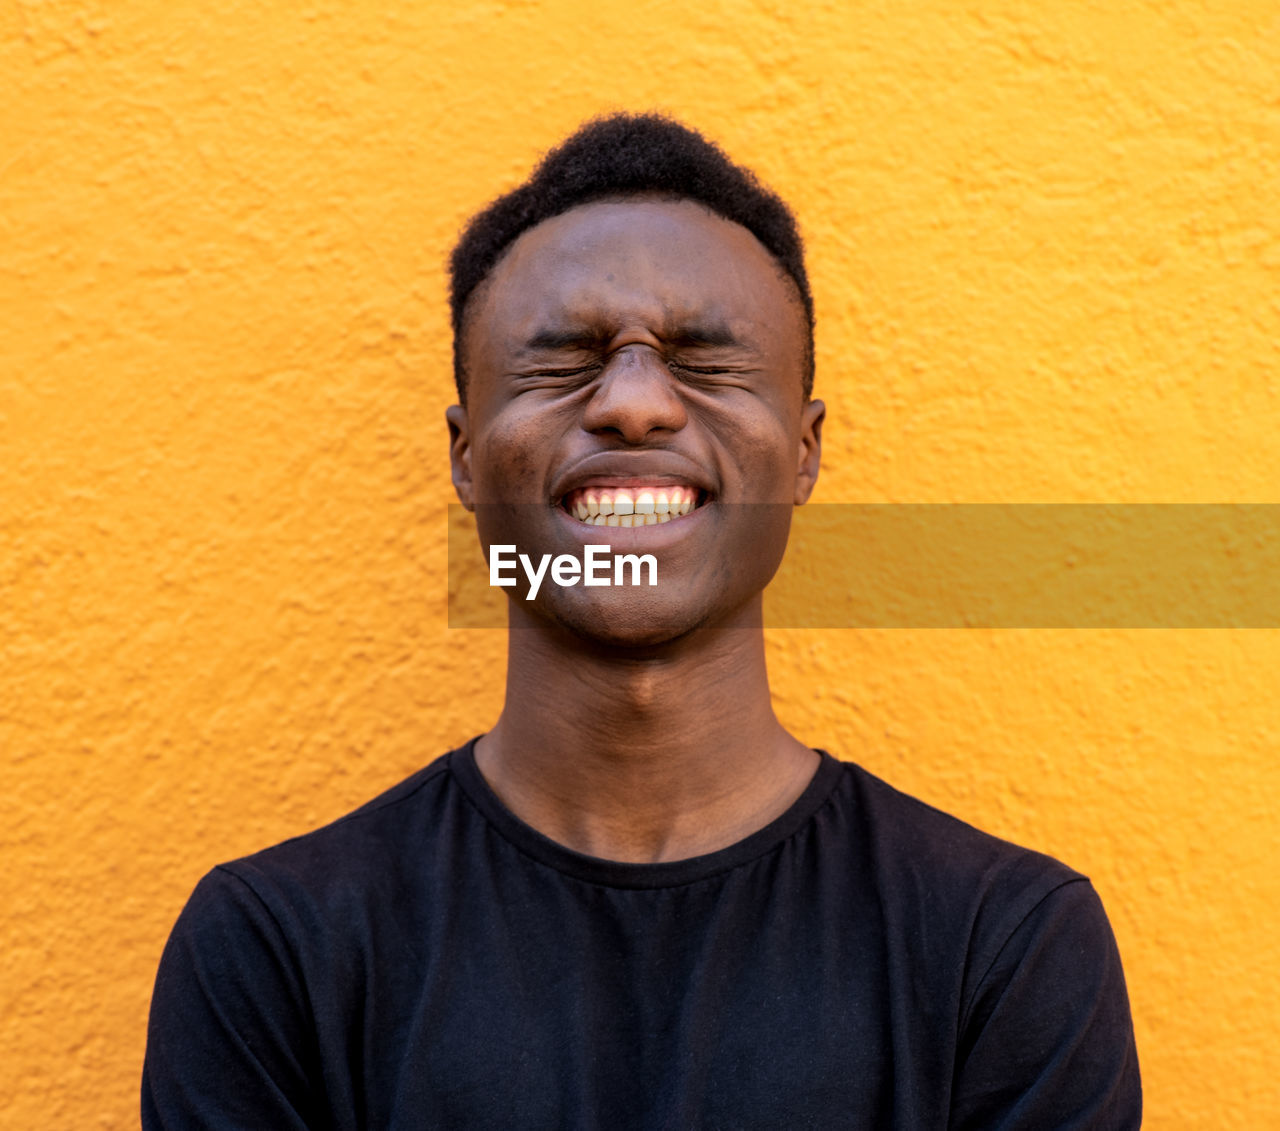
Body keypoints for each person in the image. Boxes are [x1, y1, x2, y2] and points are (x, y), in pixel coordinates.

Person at [143, 113, 1141, 1128]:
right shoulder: (276, 951)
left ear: (802, 452)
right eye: (562, 361)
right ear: (463, 455)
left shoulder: (999, 944)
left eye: (704, 361)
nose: (631, 404)